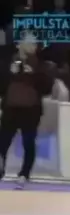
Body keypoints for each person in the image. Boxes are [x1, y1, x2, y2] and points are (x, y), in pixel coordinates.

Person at [0, 33, 53, 189]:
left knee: (28, 143)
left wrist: (33, 75)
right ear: (19, 44)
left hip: (31, 111)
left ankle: (24, 174)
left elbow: (47, 88)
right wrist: (10, 74)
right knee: (3, 142)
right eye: (29, 42)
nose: (32, 46)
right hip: (11, 109)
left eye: (34, 43)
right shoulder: (7, 62)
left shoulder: (41, 65)